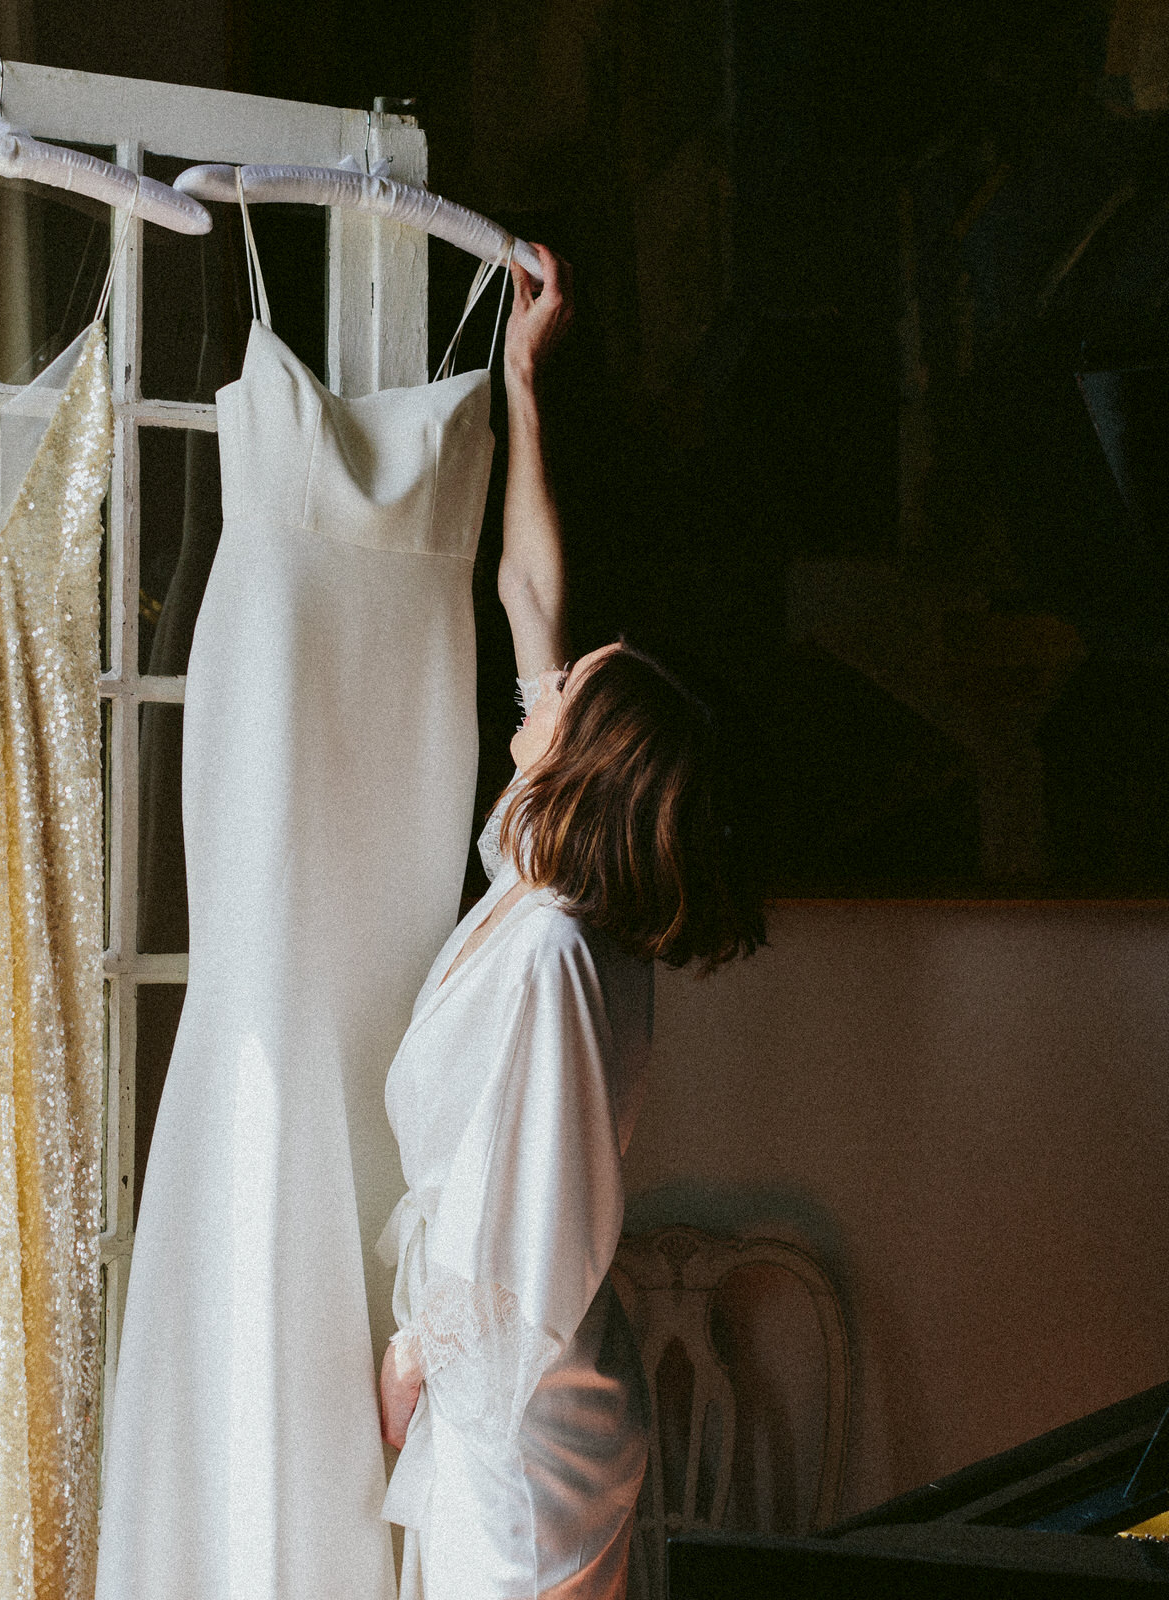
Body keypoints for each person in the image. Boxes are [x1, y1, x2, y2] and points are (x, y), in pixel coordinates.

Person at [372, 245, 767, 1600]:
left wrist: (415, 1358)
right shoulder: (546, 895)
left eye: (560, 698)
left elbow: (517, 1217)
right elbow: (529, 597)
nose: (532, 700)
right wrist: (524, 383)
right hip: (532, 1392)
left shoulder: (553, 952)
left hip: (520, 1419)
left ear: (581, 761)